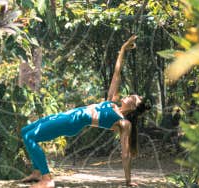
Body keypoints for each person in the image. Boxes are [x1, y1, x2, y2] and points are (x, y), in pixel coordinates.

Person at [20, 35, 144, 188]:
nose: (129, 95)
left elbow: (125, 154)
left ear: (133, 108)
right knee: (25, 131)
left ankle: (47, 178)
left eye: (132, 98)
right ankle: (37, 171)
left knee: (31, 137)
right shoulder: (113, 102)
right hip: (68, 115)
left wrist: (128, 181)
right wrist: (124, 48)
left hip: (73, 122)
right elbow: (117, 73)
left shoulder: (124, 123)